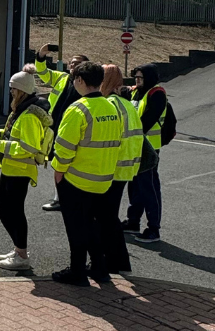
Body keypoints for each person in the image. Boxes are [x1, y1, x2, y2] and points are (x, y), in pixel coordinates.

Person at [50, 62, 123, 286]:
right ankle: (100, 269)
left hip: (77, 179)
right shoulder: (112, 107)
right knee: (93, 226)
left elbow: (63, 147)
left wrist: (58, 173)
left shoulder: (78, 109)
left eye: (74, 80)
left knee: (76, 228)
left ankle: (77, 272)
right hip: (103, 179)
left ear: (80, 80)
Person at [0, 71, 53, 272]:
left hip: (20, 169)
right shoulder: (22, 110)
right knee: (5, 209)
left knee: (13, 211)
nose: (11, 91)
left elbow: (29, 147)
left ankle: (22, 254)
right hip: (12, 168)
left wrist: (1, 145)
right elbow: (14, 134)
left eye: (13, 88)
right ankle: (18, 249)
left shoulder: (29, 115)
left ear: (21, 90)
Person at [99, 64, 143, 274]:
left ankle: (115, 261)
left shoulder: (110, 104)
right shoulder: (126, 104)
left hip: (112, 169)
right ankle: (119, 262)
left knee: (105, 218)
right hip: (127, 168)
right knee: (109, 216)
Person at [35, 45, 90, 212]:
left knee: (74, 166)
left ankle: (74, 199)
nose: (73, 66)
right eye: (72, 63)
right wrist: (41, 55)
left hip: (77, 130)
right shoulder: (62, 78)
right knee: (58, 164)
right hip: (56, 129)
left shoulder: (90, 84)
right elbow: (43, 73)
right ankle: (59, 198)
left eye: (78, 63)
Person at [124, 63, 167, 243]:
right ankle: (133, 221)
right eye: (136, 78)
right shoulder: (137, 92)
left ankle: (153, 228)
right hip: (136, 145)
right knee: (135, 186)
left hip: (149, 148)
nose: (137, 81)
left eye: (140, 78)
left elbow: (146, 121)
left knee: (149, 187)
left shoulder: (156, 94)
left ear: (148, 78)